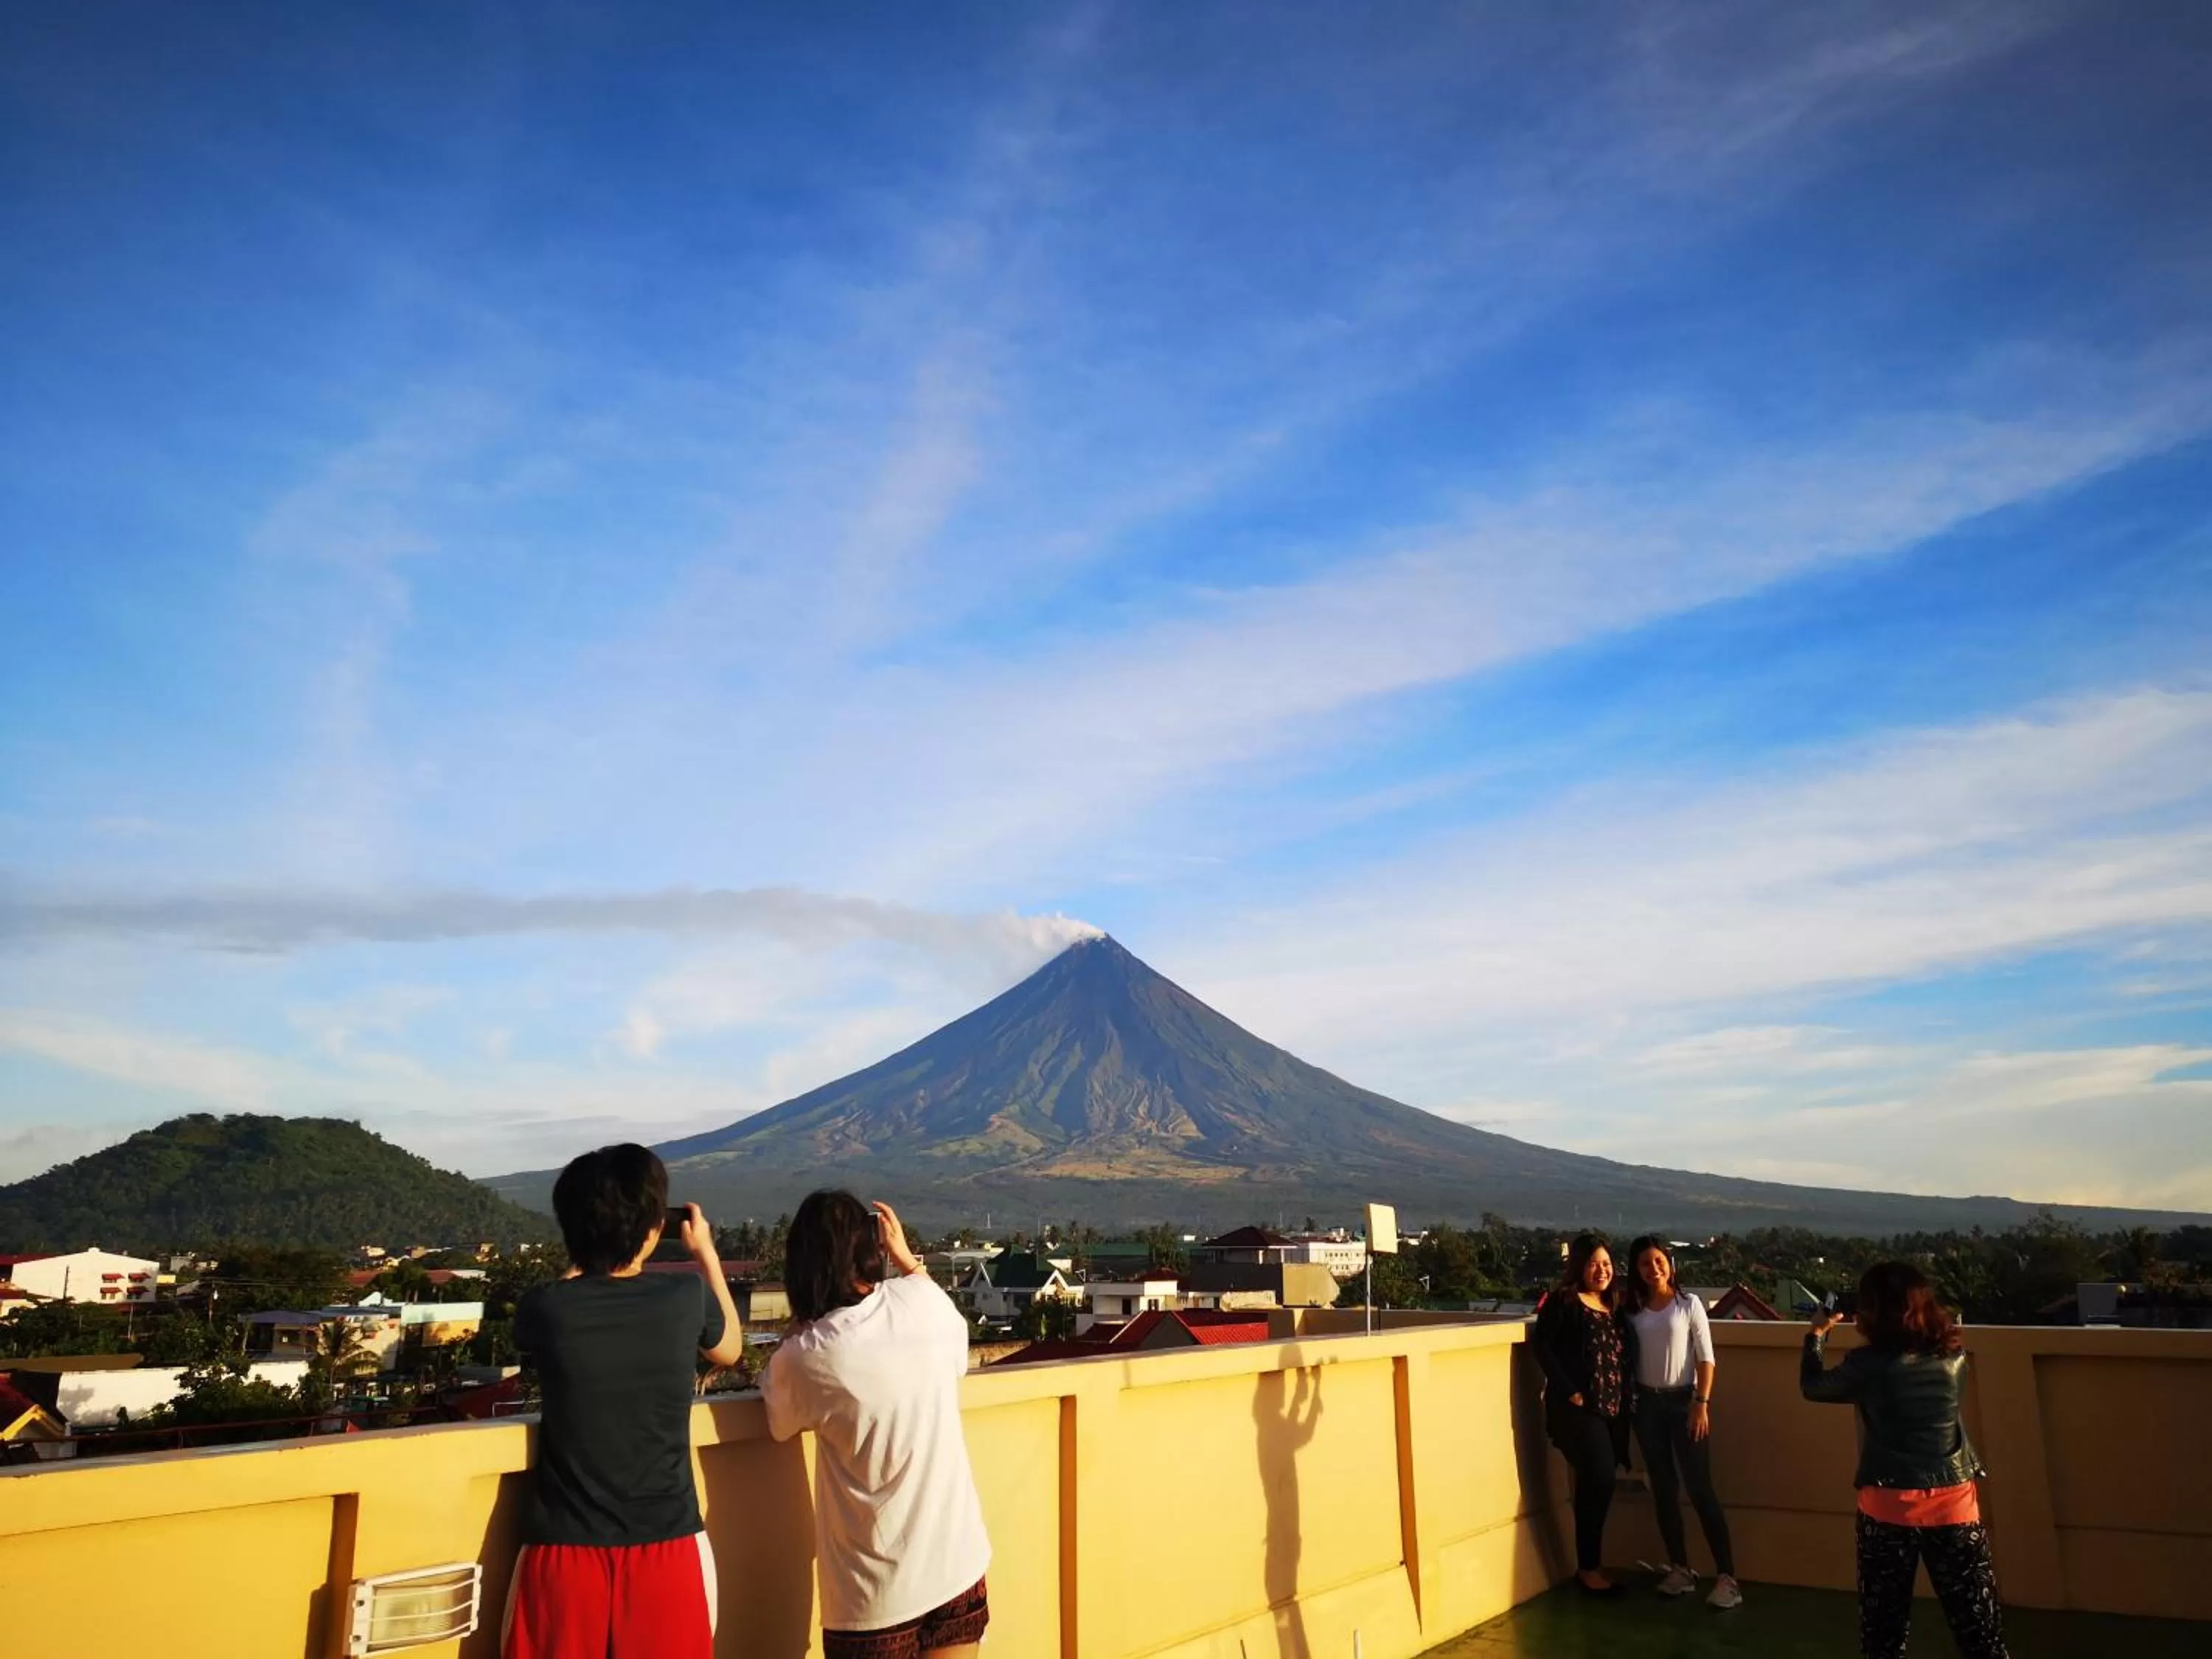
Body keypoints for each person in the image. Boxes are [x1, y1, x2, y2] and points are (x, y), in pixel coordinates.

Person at [504, 1144, 745, 1659]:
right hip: (668, 1549)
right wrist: (705, 1255)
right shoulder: (683, 1298)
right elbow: (729, 1350)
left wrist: (587, 1256)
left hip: (563, 1555)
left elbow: (541, 1319)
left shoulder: (546, 1307)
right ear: (655, 1228)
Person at [762, 1192, 990, 1659]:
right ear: (872, 1247)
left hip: (876, 1596)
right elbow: (952, 1346)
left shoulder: (810, 1354)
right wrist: (906, 1258)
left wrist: (802, 1317)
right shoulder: (924, 1301)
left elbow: (780, 1420)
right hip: (957, 1565)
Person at [1802, 1261, 2010, 1659]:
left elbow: (1813, 1387)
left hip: (1887, 1507)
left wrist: (1816, 1334)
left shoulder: (1867, 1365)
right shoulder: (1954, 1358)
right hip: (1956, 1505)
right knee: (1981, 1634)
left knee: (1884, 1635)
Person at [1623, 1236, 1741, 1609]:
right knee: (1664, 1489)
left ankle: (1727, 1578)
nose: (1653, 1269)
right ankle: (1680, 1569)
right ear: (1636, 1270)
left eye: (1659, 1261)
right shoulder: (1632, 1311)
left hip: (1684, 1404)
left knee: (1700, 1488)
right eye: (1645, 1263)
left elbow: (1706, 1358)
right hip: (1647, 1406)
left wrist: (1700, 1403)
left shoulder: (1688, 1305)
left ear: (1670, 1263)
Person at [1531, 1231, 1635, 1593]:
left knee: (1599, 1484)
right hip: (1579, 1411)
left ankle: (1591, 1565)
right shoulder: (1564, 1302)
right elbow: (1543, 1346)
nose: (1601, 1271)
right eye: (1593, 1264)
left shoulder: (1613, 1306)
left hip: (1610, 1411)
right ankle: (1588, 1569)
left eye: (1606, 1264)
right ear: (1579, 1266)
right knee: (1600, 1478)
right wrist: (1570, 1390)